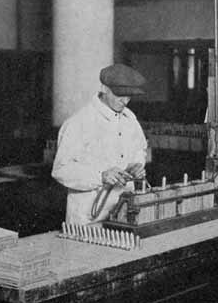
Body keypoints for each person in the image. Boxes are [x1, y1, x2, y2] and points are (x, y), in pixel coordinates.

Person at [52, 63, 148, 226]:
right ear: (104, 88)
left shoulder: (130, 119)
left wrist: (136, 165)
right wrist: (100, 176)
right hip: (88, 217)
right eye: (120, 95)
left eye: (129, 96)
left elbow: (140, 149)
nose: (125, 101)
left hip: (124, 211)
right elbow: (61, 170)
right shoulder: (79, 122)